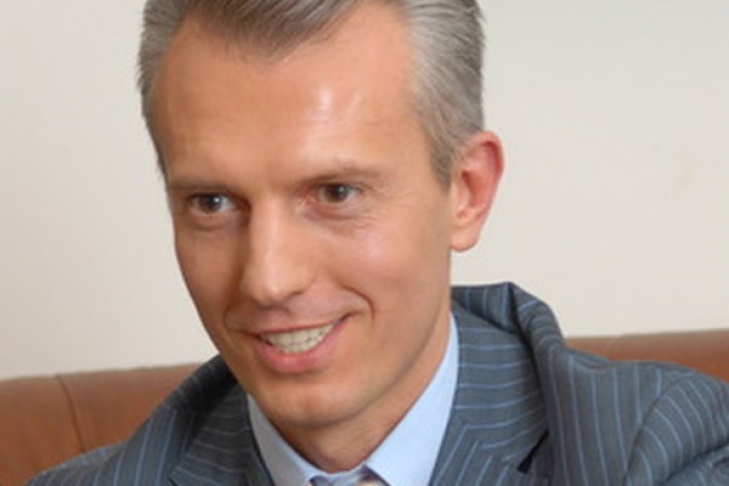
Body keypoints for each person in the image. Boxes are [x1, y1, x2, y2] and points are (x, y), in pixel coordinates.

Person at [29, 0, 729, 485]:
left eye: (335, 193)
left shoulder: (652, 451)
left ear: (466, 190)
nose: (267, 279)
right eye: (213, 203)